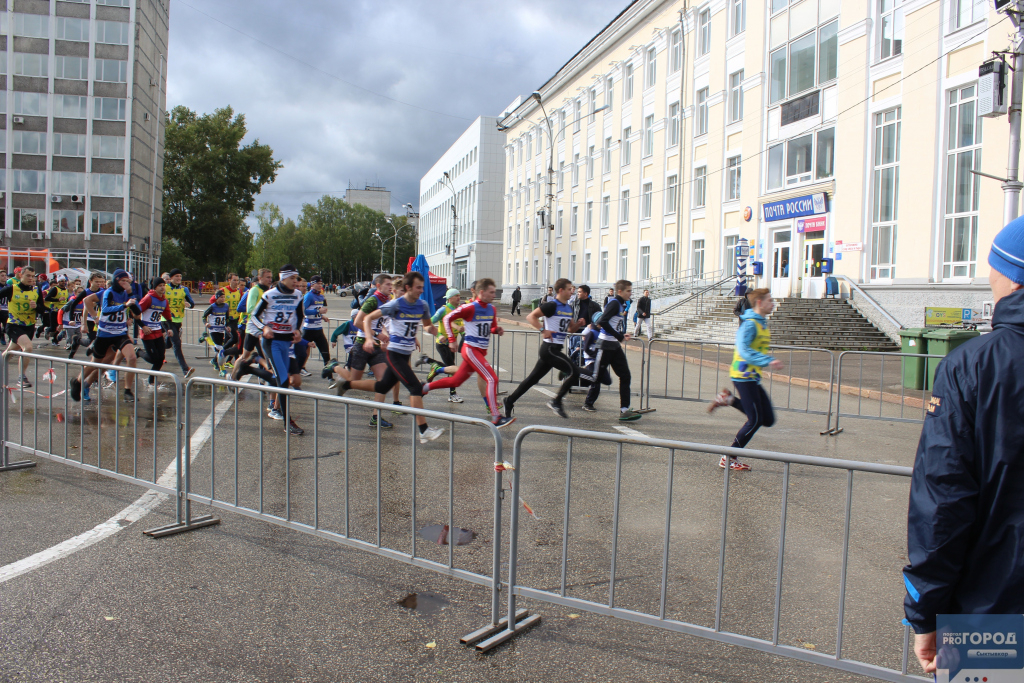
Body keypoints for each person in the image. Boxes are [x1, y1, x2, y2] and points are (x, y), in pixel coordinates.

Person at [903, 218, 1024, 675]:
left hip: (992, 610)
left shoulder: (975, 364)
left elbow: (944, 498)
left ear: (1011, 277)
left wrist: (925, 612)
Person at [334, 272, 444, 443]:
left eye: (423, 287)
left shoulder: (422, 305)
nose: (421, 291)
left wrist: (439, 335)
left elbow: (428, 326)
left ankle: (346, 383)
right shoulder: (395, 305)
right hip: (394, 354)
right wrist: (370, 338)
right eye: (418, 287)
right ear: (408, 288)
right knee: (415, 387)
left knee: (382, 386)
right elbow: (368, 318)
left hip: (406, 352)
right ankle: (423, 431)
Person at [706, 288, 784, 470]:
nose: (773, 304)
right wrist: (768, 360)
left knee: (768, 419)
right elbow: (744, 350)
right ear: (759, 303)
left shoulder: (761, 324)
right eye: (770, 300)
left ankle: (728, 399)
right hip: (742, 376)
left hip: (752, 377)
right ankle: (729, 456)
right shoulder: (749, 324)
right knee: (755, 419)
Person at [421, 278, 514, 428]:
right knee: (492, 378)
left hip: (480, 351)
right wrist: (451, 339)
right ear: (481, 292)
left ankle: (424, 388)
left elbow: (489, 328)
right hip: (470, 349)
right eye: (491, 292)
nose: (494, 294)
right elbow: (447, 318)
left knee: (455, 381)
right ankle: (496, 417)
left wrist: (496, 330)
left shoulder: (492, 309)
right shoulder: (470, 307)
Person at [502, 278, 586, 419]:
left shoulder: (568, 308)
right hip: (549, 349)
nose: (572, 291)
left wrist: (578, 324)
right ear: (561, 290)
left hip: (556, 349)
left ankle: (509, 401)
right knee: (574, 371)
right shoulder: (552, 305)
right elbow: (531, 316)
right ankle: (556, 401)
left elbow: (570, 329)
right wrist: (543, 330)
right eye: (569, 289)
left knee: (532, 379)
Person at [241, 264, 305, 435]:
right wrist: (264, 328)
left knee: (284, 379)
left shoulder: (298, 295)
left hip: (288, 343)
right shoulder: (269, 295)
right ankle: (287, 422)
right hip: (272, 342)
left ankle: (247, 368)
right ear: (283, 277)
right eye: (292, 278)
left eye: (296, 278)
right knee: (283, 381)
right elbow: (253, 315)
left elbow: (300, 316)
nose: (295, 281)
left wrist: (298, 330)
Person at [69, 269, 141, 404]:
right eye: (123, 281)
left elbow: (137, 310)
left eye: (127, 281)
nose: (125, 284)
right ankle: (78, 382)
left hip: (120, 333)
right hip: (105, 333)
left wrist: (131, 295)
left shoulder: (126, 294)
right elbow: (91, 302)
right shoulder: (106, 292)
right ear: (116, 280)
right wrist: (94, 317)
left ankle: (127, 390)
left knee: (131, 357)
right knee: (96, 363)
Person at [581, 280, 641, 421]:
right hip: (605, 345)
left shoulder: (621, 304)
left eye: (631, 291)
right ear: (620, 291)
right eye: (628, 291)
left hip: (614, 346)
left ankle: (624, 410)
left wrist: (620, 334)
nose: (630, 293)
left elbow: (613, 324)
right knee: (596, 376)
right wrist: (619, 336)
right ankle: (572, 372)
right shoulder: (614, 303)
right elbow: (603, 322)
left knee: (625, 376)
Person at [345, 274, 395, 428]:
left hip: (376, 346)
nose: (390, 287)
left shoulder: (387, 301)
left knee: (383, 382)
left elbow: (381, 322)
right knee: (353, 381)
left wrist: (384, 335)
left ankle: (376, 417)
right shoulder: (373, 300)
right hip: (362, 343)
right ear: (379, 286)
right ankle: (333, 367)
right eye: (387, 284)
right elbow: (358, 321)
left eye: (391, 284)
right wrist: (375, 334)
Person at [0, 267, 47, 387]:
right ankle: (22, 377)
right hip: (14, 325)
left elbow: (42, 310)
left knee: (9, 352)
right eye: (28, 276)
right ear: (21, 275)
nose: (31, 278)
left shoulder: (37, 290)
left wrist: (36, 306)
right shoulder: (11, 289)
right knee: (28, 347)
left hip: (29, 326)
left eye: (32, 276)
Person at [425, 288, 465, 403]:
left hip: (453, 345)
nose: (459, 298)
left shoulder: (459, 310)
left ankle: (430, 362)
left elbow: (460, 325)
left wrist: (464, 335)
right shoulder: (443, 310)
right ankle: (452, 394)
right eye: (456, 295)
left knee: (450, 368)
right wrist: (438, 334)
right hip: (442, 344)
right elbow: (429, 322)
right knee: (452, 368)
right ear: (450, 298)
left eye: (459, 295)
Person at [137, 278, 173, 387]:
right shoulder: (148, 298)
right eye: (160, 285)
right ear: (155, 287)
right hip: (147, 332)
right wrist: (143, 326)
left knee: (161, 358)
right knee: (153, 358)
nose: (162, 288)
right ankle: (138, 352)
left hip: (157, 331)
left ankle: (151, 381)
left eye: (164, 285)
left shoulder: (164, 300)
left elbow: (167, 316)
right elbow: (136, 313)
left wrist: (169, 328)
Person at [164, 269, 195, 378]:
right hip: (166, 320)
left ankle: (154, 347)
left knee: (168, 344)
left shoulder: (184, 289)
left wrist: (189, 305)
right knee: (177, 343)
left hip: (178, 320)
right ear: (171, 278)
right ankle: (185, 369)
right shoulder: (165, 288)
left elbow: (192, 303)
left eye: (180, 276)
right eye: (176, 276)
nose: (179, 278)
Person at [203, 289, 240, 374]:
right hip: (213, 329)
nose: (223, 299)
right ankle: (221, 368)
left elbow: (226, 318)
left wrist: (227, 326)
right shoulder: (212, 306)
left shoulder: (226, 306)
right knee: (220, 349)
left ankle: (214, 360)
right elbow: (204, 316)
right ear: (217, 298)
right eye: (221, 297)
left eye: (224, 297)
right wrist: (206, 323)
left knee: (220, 348)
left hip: (221, 330)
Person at [301, 275, 331, 372]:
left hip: (318, 329)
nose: (320, 285)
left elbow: (316, 310)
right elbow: (303, 311)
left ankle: (329, 376)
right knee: (302, 353)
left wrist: (322, 316)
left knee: (326, 353)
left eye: (321, 283)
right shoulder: (308, 296)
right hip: (308, 329)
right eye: (317, 283)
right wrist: (318, 311)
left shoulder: (321, 296)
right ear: (312, 284)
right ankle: (298, 370)